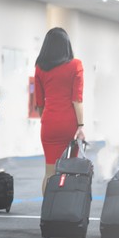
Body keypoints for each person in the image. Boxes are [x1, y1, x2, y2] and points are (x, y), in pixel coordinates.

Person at [34, 27, 85, 194]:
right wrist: (81, 125)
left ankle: (48, 212)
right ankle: (65, 210)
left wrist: (46, 119)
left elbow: (39, 102)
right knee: (69, 170)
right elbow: (77, 100)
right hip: (69, 123)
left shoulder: (40, 67)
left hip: (49, 123)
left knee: (49, 171)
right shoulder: (76, 65)